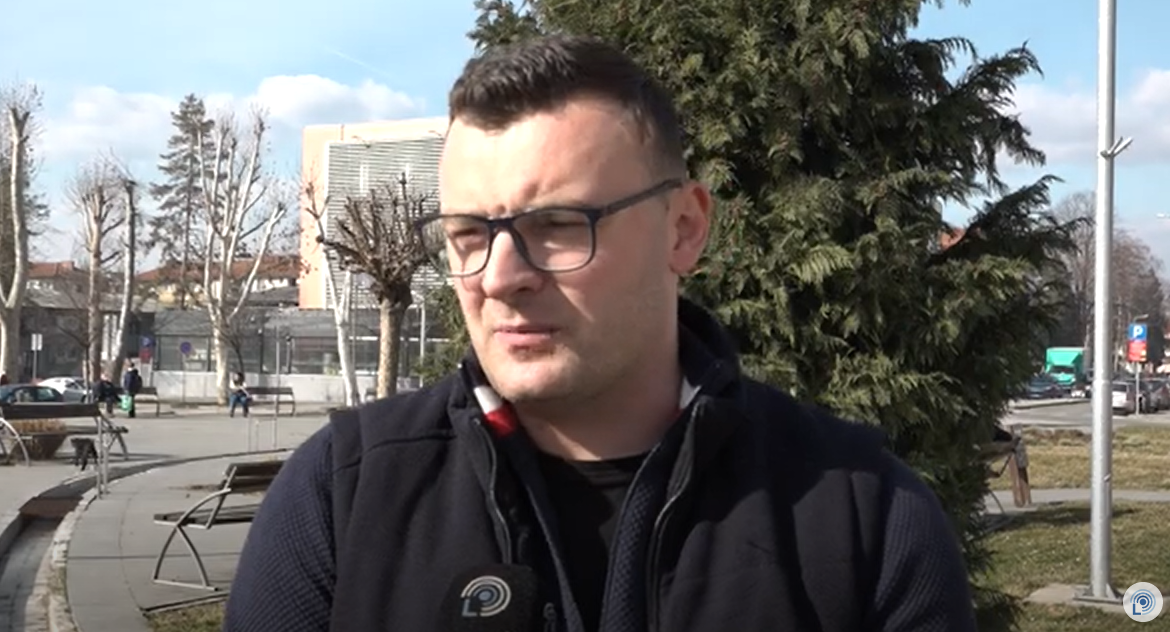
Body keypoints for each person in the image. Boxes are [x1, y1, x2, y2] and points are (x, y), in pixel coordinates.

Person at [225, 35, 976, 632]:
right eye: (467, 234)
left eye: (557, 225)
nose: (498, 277)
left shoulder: (863, 518)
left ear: (683, 228)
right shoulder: (341, 498)